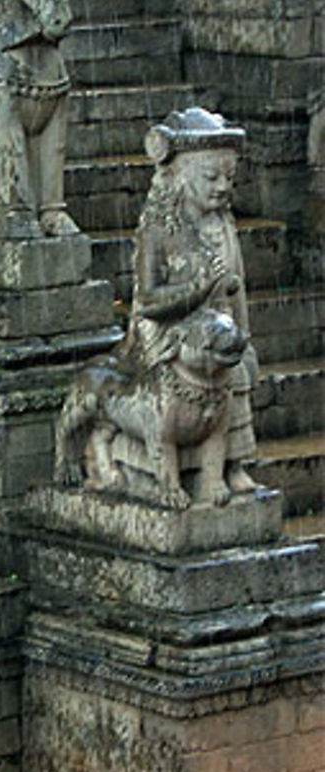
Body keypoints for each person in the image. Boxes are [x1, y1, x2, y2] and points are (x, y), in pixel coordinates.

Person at [123, 106, 258, 493]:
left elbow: (239, 288)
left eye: (228, 178)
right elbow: (148, 301)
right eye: (210, 176)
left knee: (237, 366)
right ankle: (193, 470)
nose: (221, 187)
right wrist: (194, 292)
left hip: (220, 326)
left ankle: (233, 463)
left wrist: (245, 336)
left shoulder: (223, 225)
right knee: (213, 367)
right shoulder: (158, 230)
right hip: (169, 331)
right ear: (179, 178)